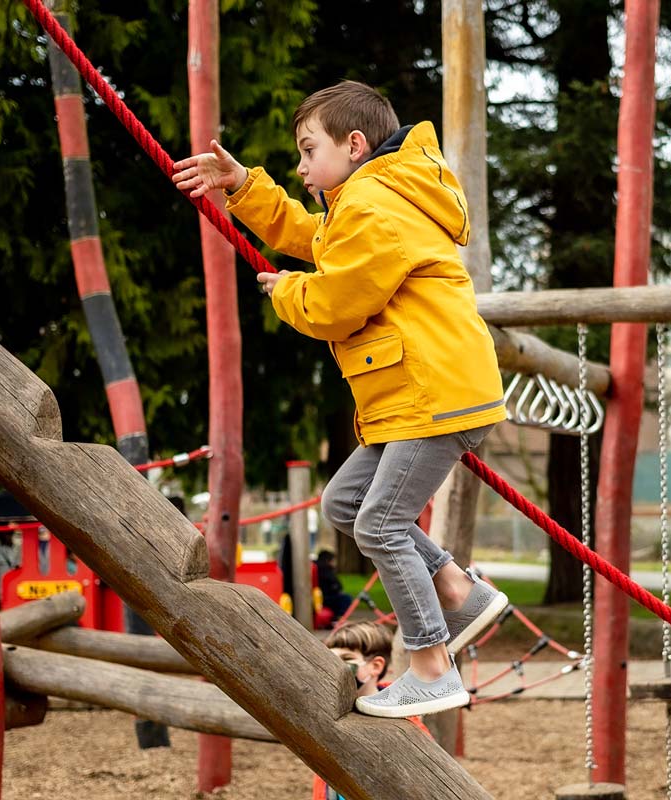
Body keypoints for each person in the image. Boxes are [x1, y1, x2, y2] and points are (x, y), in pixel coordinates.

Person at [172, 80, 508, 719]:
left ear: (355, 146)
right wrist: (246, 187)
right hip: (418, 392)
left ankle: (433, 666)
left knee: (380, 521)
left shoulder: (373, 206)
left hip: (430, 392)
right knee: (346, 502)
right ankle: (457, 589)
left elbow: (336, 303)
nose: (299, 167)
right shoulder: (374, 196)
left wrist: (288, 293)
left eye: (307, 151)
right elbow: (314, 236)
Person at [313, 621, 430, 799]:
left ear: (376, 666)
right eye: (330, 658)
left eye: (346, 658)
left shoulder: (402, 720)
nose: (334, 666)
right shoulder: (327, 709)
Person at [315, 548, 352, 621]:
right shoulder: (326, 570)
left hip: (319, 596)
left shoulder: (316, 567)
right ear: (328, 560)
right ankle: (338, 617)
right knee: (346, 598)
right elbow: (337, 586)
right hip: (326, 597)